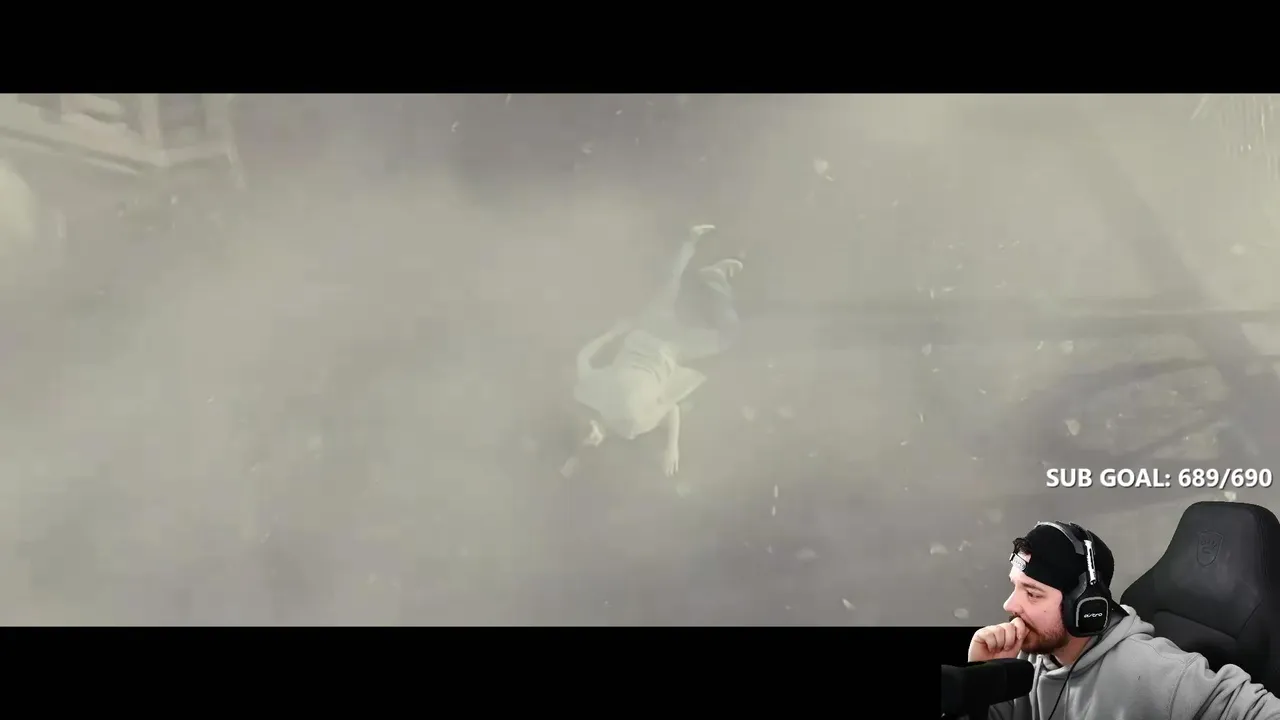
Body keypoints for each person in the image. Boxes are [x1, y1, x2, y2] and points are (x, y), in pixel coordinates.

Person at [969, 520, 1280, 719]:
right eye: (1015, 587)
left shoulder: (1153, 670)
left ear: (1085, 607)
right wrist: (982, 680)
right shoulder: (1034, 657)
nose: (1010, 605)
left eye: (1033, 594)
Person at [563, 223, 743, 478]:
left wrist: (613, 333)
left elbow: (582, 357)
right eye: (592, 439)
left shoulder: (592, 394)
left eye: (585, 432)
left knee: (670, 288)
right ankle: (716, 275)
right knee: (725, 337)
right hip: (670, 350)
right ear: (600, 444)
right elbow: (671, 407)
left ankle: (691, 242)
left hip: (646, 336)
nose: (591, 432)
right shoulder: (633, 425)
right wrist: (672, 447)